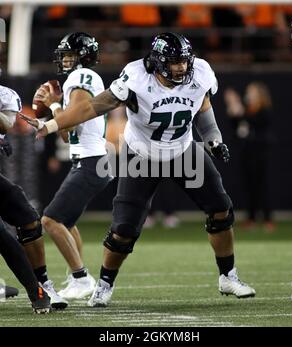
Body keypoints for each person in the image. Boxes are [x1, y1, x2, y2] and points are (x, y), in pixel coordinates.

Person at [22, 32, 256, 306]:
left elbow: (203, 105)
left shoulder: (200, 71)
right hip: (142, 156)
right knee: (123, 230)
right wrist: (50, 125)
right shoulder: (136, 78)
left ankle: (228, 275)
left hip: (183, 151)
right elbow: (92, 108)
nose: (181, 67)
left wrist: (213, 138)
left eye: (184, 61)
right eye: (174, 62)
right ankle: (104, 285)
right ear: (157, 62)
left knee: (221, 210)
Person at [32, 32, 113, 300]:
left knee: (50, 220)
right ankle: (77, 276)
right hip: (89, 159)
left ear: (83, 57)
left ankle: (81, 278)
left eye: (69, 55)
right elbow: (67, 134)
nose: (65, 60)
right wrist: (55, 107)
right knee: (65, 221)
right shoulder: (77, 80)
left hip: (91, 161)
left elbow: (72, 122)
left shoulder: (80, 77)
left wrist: (54, 108)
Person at [0, 84, 67, 309]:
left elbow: (6, 123)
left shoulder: (6, 95)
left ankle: (43, 282)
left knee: (27, 216)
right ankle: (35, 290)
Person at [224, 82, 274, 232]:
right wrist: (234, 110)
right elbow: (236, 127)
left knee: (262, 187)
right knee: (249, 187)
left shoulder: (264, 110)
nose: (249, 94)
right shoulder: (246, 110)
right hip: (247, 154)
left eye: (251, 92)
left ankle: (267, 219)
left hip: (260, 154)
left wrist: (239, 109)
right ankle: (251, 218)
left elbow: (258, 127)